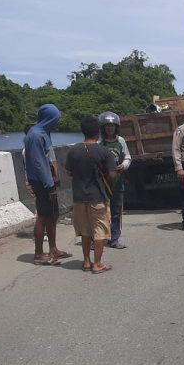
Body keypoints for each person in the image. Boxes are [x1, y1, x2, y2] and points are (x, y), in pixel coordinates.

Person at [65, 115, 117, 274]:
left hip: (79, 197)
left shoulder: (73, 151)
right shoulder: (104, 151)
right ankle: (98, 263)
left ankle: (86, 261)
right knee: (99, 230)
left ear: (83, 131)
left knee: (85, 231)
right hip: (98, 196)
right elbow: (112, 175)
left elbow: (69, 172)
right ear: (98, 132)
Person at [23, 103, 71, 265]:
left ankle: (53, 249)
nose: (56, 123)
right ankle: (38, 254)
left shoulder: (43, 132)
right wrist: (49, 185)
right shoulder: (36, 135)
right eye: (54, 119)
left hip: (47, 181)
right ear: (48, 119)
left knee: (53, 215)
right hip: (42, 182)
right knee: (43, 216)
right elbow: (39, 164)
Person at [98, 111, 131, 248]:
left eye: (112, 126)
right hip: (102, 183)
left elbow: (128, 157)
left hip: (117, 182)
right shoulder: (100, 143)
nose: (110, 129)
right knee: (101, 212)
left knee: (116, 211)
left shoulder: (120, 141)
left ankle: (115, 238)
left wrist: (124, 165)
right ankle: (100, 238)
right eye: (107, 126)